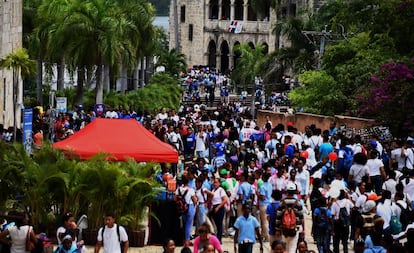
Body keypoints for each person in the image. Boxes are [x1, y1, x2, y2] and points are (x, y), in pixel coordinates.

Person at [275, 182, 304, 253]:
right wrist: (301, 228)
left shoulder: (282, 202)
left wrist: (277, 229)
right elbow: (301, 218)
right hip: (295, 229)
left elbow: (278, 217)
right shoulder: (298, 203)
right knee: (293, 247)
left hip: (284, 228)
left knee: (285, 247)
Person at [174, 173, 197, 246]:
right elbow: (195, 201)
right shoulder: (190, 190)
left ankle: (184, 240)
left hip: (181, 208)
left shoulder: (178, 189)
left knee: (184, 225)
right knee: (188, 225)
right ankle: (187, 241)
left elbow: (174, 199)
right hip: (189, 207)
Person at [209, 178, 228, 243]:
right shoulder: (213, 190)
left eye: (216, 182)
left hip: (220, 207)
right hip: (214, 207)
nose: (215, 184)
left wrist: (218, 207)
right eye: (214, 182)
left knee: (219, 224)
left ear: (219, 183)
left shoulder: (221, 190)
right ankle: (215, 237)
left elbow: (225, 200)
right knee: (215, 224)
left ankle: (219, 239)